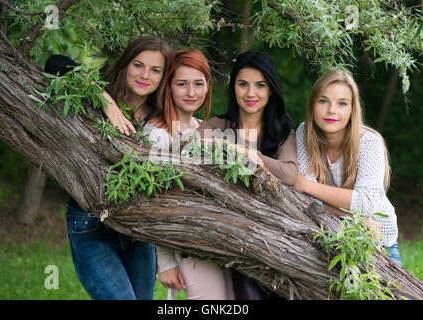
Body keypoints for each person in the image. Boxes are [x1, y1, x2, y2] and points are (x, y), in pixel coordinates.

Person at [46, 36, 171, 299]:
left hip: (137, 232)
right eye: (139, 65)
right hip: (91, 226)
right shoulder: (97, 94)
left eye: (155, 70)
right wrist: (106, 101)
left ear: (163, 76)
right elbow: (54, 63)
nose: (145, 75)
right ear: (126, 64)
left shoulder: (159, 117)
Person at [197, 50, 298, 299]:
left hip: (277, 237)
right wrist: (234, 146)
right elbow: (191, 142)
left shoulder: (284, 132)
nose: (251, 93)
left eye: (260, 85)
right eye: (243, 84)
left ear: (271, 89)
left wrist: (252, 156)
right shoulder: (218, 126)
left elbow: (289, 174)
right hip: (234, 236)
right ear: (233, 88)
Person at [143, 49, 235, 300]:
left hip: (218, 244)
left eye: (198, 84)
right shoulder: (157, 134)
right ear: (169, 87)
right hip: (188, 247)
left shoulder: (204, 130)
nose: (191, 92)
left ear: (207, 87)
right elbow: (154, 201)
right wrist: (166, 262)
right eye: (182, 84)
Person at [293, 69, 401, 266]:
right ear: (312, 105)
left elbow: (365, 204)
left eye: (342, 103)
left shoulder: (369, 142)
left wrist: (308, 186)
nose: (332, 110)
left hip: (376, 238)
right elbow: (303, 198)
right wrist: (358, 218)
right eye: (323, 101)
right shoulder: (304, 133)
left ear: (352, 110)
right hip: (329, 232)